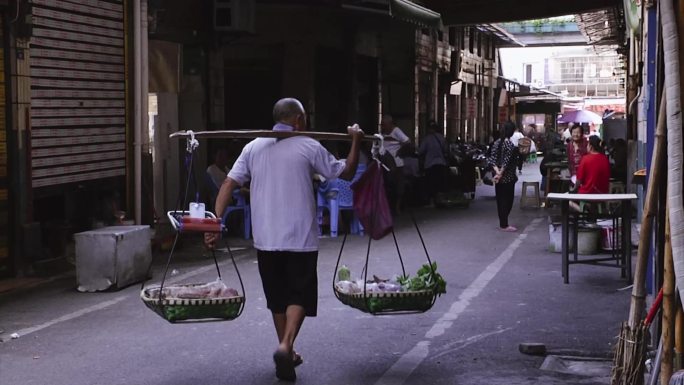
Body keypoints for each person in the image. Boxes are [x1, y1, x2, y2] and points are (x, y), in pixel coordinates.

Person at [204, 98, 364, 381]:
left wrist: (215, 222)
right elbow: (346, 172)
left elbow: (228, 183)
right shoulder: (309, 145)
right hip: (299, 237)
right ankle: (285, 345)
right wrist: (356, 139)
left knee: (277, 298)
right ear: (299, 120)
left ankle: (287, 351)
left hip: (266, 238)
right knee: (299, 294)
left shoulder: (252, 147)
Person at [488, 121, 518, 232]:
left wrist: (497, 172)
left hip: (498, 177)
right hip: (508, 177)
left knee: (500, 200)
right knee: (508, 200)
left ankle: (503, 223)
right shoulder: (509, 144)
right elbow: (507, 161)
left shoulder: (496, 143)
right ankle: (504, 224)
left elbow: (492, 159)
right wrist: (501, 173)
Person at [381, 114, 410, 214]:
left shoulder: (396, 131)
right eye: (382, 125)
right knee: (388, 186)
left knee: (398, 186)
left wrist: (400, 151)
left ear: (390, 124)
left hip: (397, 163)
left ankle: (397, 207)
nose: (383, 127)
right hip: (386, 163)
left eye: (384, 124)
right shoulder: (383, 133)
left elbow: (407, 141)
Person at [418, 120, 449, 204]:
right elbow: (446, 150)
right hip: (441, 163)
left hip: (430, 164)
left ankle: (431, 201)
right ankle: (440, 201)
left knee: (430, 183)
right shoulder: (441, 138)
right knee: (440, 183)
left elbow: (421, 151)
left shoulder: (426, 139)